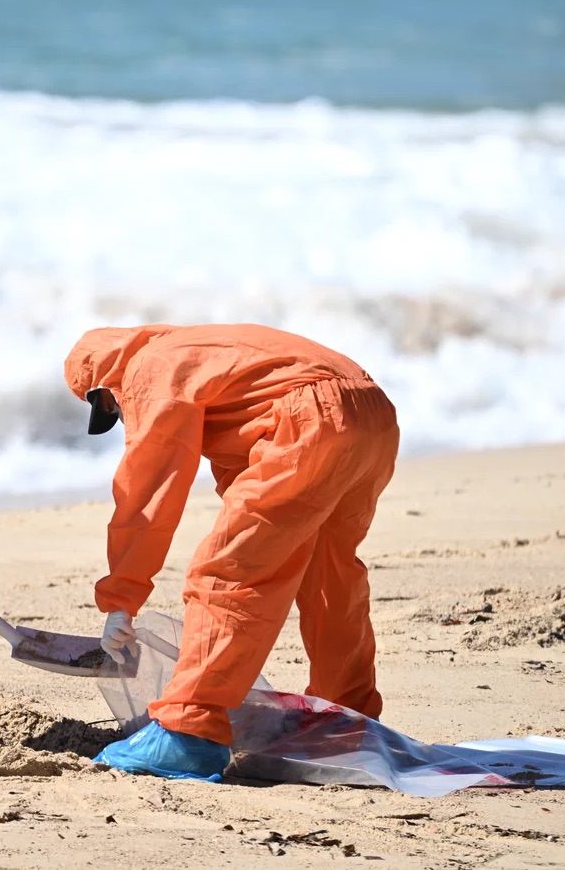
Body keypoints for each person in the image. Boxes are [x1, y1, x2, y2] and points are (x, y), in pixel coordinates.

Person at [63, 323, 400, 780]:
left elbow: (147, 493)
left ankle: (189, 732)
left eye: (110, 410)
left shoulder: (148, 370)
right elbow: (242, 462)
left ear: (105, 389)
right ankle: (344, 722)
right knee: (330, 575)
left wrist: (121, 597)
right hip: (371, 414)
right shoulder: (203, 353)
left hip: (310, 420)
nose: (121, 419)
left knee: (226, 572)